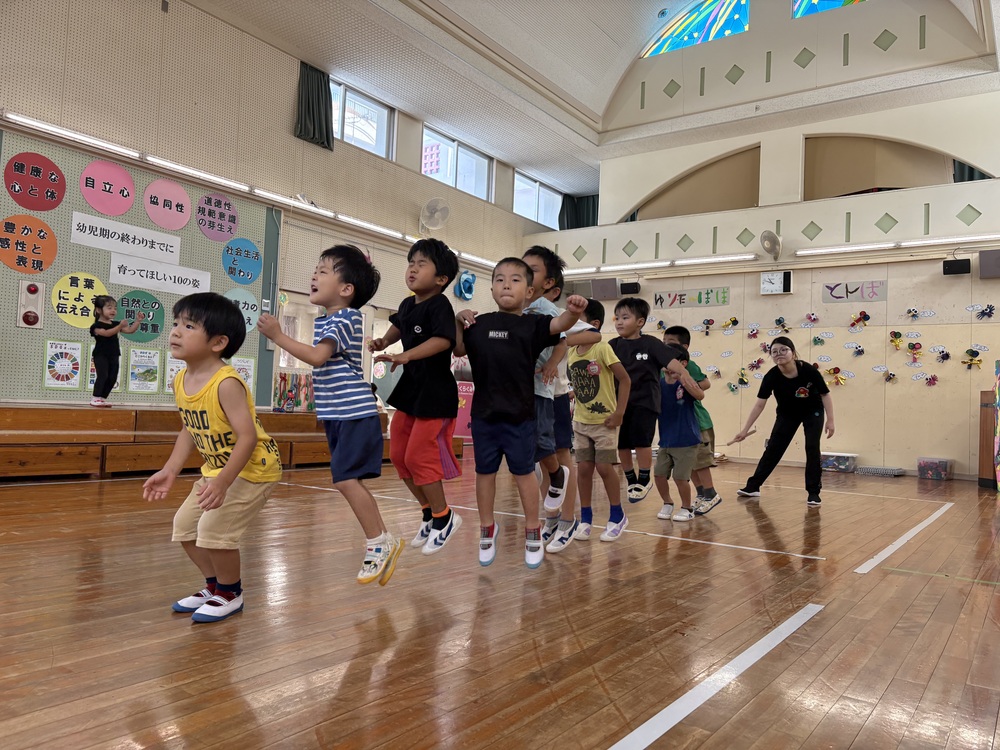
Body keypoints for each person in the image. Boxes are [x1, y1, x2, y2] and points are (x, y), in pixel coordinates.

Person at [258, 244, 405, 583]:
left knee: (345, 480)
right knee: (349, 481)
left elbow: (316, 357)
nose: (313, 275)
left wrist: (278, 336)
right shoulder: (329, 319)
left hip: (353, 414)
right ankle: (384, 539)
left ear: (346, 289)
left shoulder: (346, 317)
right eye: (316, 270)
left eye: (323, 271)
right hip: (340, 415)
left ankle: (376, 543)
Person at [143, 292, 282, 623]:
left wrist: (222, 483)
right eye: (176, 323)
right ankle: (214, 587)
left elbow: (247, 437)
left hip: (253, 470)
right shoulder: (181, 380)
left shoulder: (226, 383)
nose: (176, 331)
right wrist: (170, 470)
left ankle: (231, 593)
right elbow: (190, 428)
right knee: (185, 527)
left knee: (214, 529)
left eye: (189, 326)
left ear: (218, 342)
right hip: (217, 469)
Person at [453, 257, 587, 569]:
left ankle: (533, 529)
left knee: (524, 473)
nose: (506, 285)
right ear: (491, 288)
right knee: (484, 473)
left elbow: (560, 326)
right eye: (499, 279)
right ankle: (487, 527)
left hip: (520, 416)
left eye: (515, 280)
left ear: (529, 292)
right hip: (484, 416)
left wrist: (574, 311)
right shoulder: (479, 324)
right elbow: (458, 349)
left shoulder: (532, 325)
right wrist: (459, 321)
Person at [368, 238, 463, 555]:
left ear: (441, 279)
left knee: (419, 456)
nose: (413, 268)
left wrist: (407, 355)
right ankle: (428, 512)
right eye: (411, 262)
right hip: (411, 390)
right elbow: (400, 325)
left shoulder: (441, 305)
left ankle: (444, 517)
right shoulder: (409, 304)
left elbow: (443, 341)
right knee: (398, 455)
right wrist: (383, 342)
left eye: (422, 264)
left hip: (435, 393)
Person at [730, 336, 835, 507]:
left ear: (793, 353)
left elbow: (825, 394)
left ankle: (813, 492)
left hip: (812, 411)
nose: (779, 354)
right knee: (774, 448)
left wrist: (830, 420)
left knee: (812, 447)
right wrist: (744, 430)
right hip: (787, 413)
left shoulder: (808, 370)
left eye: (783, 350)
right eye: (774, 352)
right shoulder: (771, 376)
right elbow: (759, 405)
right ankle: (753, 486)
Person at [608, 298, 692, 502]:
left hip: (645, 402)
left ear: (640, 322)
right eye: (617, 318)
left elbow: (671, 361)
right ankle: (631, 479)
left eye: (625, 317)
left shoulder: (651, 343)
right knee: (622, 444)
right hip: (620, 403)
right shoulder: (613, 345)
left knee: (641, 441)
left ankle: (644, 478)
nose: (619, 322)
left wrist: (684, 374)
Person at [566, 299, 632, 542]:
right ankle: (585, 519)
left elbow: (625, 380)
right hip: (581, 421)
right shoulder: (571, 351)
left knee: (604, 468)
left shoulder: (602, 348)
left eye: (577, 319)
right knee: (584, 469)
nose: (571, 323)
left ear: (593, 324)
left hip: (605, 421)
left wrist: (619, 413)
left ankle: (617, 515)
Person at [521, 246, 571, 516]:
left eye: (533, 270)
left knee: (542, 437)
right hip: (517, 386)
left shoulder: (545, 307)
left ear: (549, 282)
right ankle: (535, 472)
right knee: (523, 438)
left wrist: (552, 363)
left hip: (540, 386)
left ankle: (557, 473)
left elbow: (562, 341)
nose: (524, 273)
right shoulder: (517, 306)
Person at [662, 326, 721, 515]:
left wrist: (686, 384)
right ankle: (702, 493)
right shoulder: (663, 365)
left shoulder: (687, 366)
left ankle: (711, 494)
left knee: (701, 461)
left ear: (684, 347)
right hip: (679, 425)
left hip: (697, 422)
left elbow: (706, 383)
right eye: (664, 343)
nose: (666, 346)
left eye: (671, 343)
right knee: (690, 463)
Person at [653, 347, 704, 522]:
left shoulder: (685, 383)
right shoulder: (658, 384)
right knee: (659, 474)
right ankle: (667, 503)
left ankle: (687, 508)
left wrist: (683, 377)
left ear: (683, 363)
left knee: (680, 478)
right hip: (666, 440)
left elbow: (700, 395)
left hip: (686, 440)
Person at [89, 295, 144, 407]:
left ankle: (102, 398)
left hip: (114, 354)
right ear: (98, 310)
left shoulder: (115, 324)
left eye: (115, 308)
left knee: (112, 377)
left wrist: (138, 321)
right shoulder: (96, 326)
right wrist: (119, 326)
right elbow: (107, 333)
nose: (113, 310)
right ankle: (95, 397)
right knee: (103, 375)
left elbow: (130, 330)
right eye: (109, 308)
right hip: (101, 355)